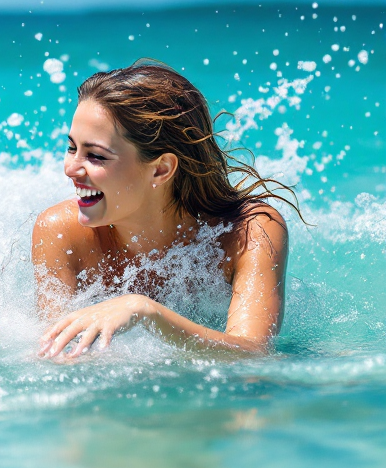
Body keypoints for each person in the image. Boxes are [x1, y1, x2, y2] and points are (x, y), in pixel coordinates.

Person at [33, 59, 296, 359]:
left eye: (95, 156)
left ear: (161, 169)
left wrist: (145, 310)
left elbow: (254, 354)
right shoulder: (60, 232)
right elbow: (56, 355)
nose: (70, 168)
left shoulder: (248, 233)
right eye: (71, 148)